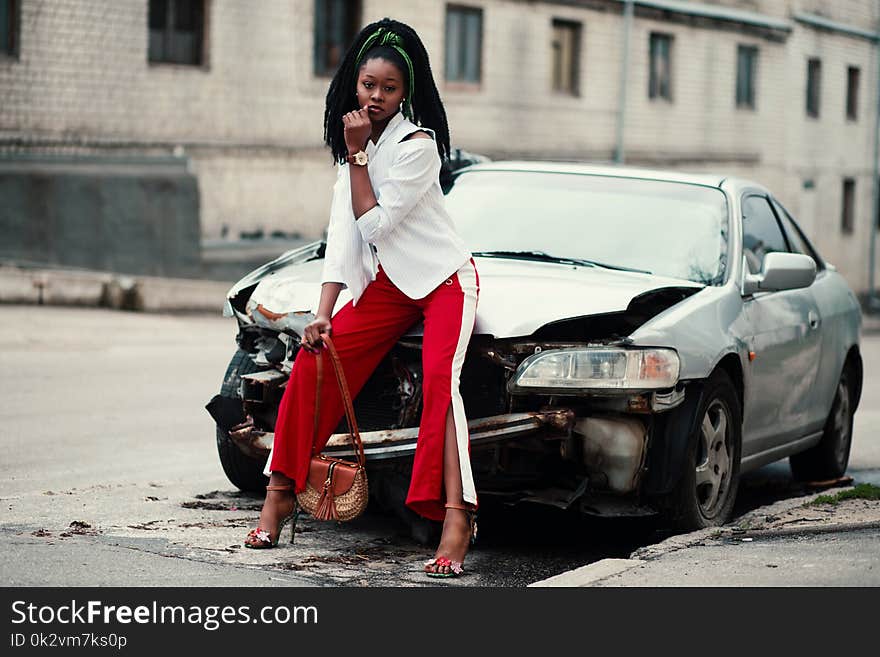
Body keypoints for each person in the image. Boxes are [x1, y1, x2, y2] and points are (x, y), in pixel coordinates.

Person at [244, 18, 480, 579]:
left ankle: (457, 520)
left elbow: (374, 225)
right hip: (388, 287)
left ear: (407, 93)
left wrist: (358, 157)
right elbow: (343, 242)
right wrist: (322, 315)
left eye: (389, 88)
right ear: (355, 82)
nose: (375, 97)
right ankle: (278, 497)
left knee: (441, 387)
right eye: (368, 84)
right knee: (314, 360)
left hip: (444, 279)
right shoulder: (351, 155)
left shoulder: (417, 148)